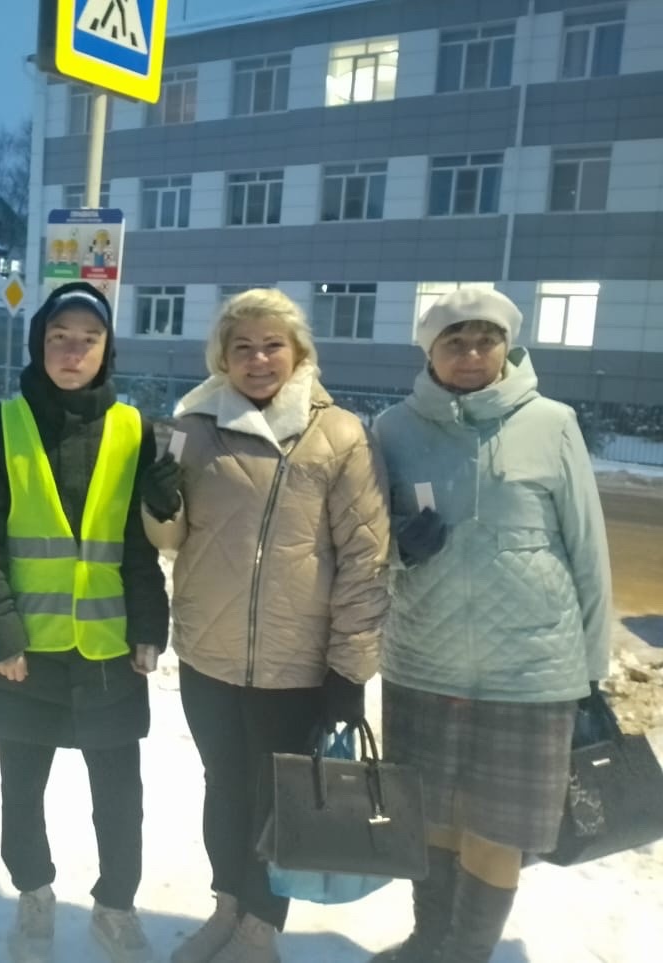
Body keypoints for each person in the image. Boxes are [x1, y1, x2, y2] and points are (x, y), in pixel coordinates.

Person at [141, 288, 390, 963]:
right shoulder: (193, 427)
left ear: (298, 351)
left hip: (297, 661)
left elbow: (367, 558)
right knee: (223, 784)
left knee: (276, 798)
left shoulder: (339, 434)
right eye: (242, 346)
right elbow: (170, 538)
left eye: (271, 344)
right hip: (209, 653)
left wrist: (349, 669)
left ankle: (261, 927)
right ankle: (227, 905)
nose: (257, 358)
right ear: (221, 356)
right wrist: (158, 505)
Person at [368, 289, 612, 963]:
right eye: (454, 342)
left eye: (485, 341)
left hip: (529, 671)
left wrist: (591, 668)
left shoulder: (553, 422)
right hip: (424, 656)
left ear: (508, 346)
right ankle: (428, 940)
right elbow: (363, 540)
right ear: (429, 351)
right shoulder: (394, 429)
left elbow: (588, 549)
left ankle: (465, 952)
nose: (471, 354)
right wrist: (396, 544)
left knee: (496, 827)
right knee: (434, 819)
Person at [0, 281, 169, 963]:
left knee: (120, 794)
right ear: (40, 343)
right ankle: (35, 895)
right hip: (26, 648)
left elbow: (139, 541)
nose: (72, 352)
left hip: (107, 646)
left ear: (107, 349)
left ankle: (115, 904)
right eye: (59, 338)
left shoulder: (135, 428)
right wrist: (0, 636)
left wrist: (148, 625)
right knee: (22, 789)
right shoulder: (0, 426)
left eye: (88, 339)